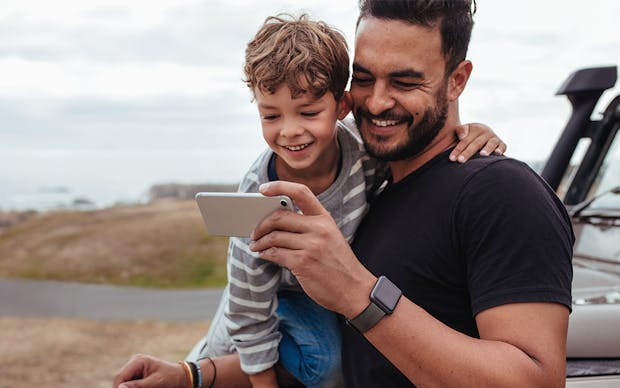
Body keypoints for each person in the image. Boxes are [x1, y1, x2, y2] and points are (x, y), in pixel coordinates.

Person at [113, 8, 511, 388]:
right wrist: (262, 381)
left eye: (307, 113)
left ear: (342, 106)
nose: (288, 131)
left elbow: (416, 143)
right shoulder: (259, 193)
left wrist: (473, 129)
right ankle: (201, 370)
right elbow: (248, 304)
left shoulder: (363, 153)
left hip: (324, 296)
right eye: (271, 116)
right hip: (269, 299)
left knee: (333, 362)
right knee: (320, 368)